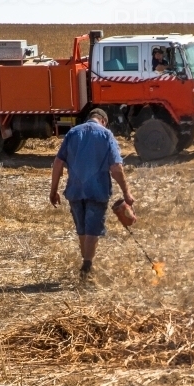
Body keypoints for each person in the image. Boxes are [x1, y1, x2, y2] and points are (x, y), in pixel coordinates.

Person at [49, 108, 134, 278]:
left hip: (75, 190)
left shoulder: (72, 133)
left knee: (82, 229)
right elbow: (116, 167)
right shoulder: (106, 135)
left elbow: (58, 163)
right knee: (92, 229)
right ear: (103, 120)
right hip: (97, 190)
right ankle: (87, 265)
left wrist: (54, 190)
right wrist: (127, 193)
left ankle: (85, 262)